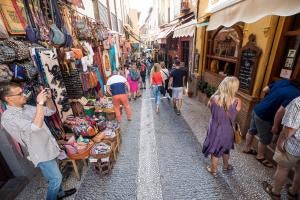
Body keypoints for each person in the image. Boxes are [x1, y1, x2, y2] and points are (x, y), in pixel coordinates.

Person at [0, 82, 76, 200]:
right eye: (20, 94)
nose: (24, 95)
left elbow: (51, 111)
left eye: (23, 91)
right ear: (8, 98)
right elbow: (35, 127)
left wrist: (49, 99)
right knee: (56, 179)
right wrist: (40, 102)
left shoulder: (26, 107)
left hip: (49, 146)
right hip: (40, 152)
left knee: (54, 177)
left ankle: (60, 194)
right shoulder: (8, 117)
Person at [242, 79, 300, 168]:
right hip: (266, 116)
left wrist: (274, 96)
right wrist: (275, 126)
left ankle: (246, 148)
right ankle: (260, 156)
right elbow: (280, 112)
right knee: (265, 138)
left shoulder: (283, 81)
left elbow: (265, 89)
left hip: (257, 108)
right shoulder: (296, 94)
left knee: (251, 131)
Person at [202, 77, 242, 177]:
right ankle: (225, 166)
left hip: (215, 128)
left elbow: (209, 107)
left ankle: (214, 170)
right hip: (228, 130)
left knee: (215, 151)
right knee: (226, 149)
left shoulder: (213, 98)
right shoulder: (238, 101)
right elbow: (235, 112)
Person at [262, 96, 300, 200]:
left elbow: (290, 128)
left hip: (293, 145)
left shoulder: (298, 101)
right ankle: (293, 192)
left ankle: (275, 192)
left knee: (283, 168)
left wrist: (281, 141)